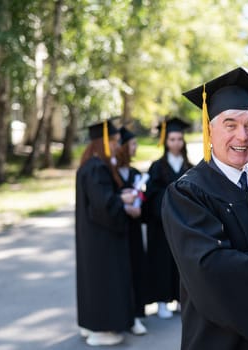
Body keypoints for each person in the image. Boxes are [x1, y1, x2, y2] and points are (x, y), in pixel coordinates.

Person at [161, 67, 248, 350]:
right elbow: (209, 267)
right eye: (230, 124)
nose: (243, 136)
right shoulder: (188, 193)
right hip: (219, 340)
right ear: (209, 129)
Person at [75, 119, 140, 346]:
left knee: (91, 281)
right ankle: (100, 330)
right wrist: (124, 202)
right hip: (102, 238)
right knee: (103, 282)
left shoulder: (88, 166)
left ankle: (88, 324)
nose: (116, 146)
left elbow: (99, 201)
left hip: (92, 237)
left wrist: (119, 198)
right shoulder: (97, 168)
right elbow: (103, 206)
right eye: (113, 141)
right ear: (103, 142)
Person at [143, 117, 193, 319]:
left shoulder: (190, 166)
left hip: (183, 224)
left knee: (182, 262)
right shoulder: (157, 166)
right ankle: (162, 301)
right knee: (161, 261)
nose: (176, 143)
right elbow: (151, 194)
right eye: (172, 139)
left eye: (179, 139)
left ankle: (182, 300)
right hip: (161, 223)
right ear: (165, 141)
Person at [115, 126, 148, 335]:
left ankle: (136, 315)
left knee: (136, 271)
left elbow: (144, 200)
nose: (136, 148)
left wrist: (139, 208)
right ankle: (120, 316)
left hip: (134, 230)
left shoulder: (135, 173)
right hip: (117, 231)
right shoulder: (111, 174)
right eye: (133, 144)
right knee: (119, 275)